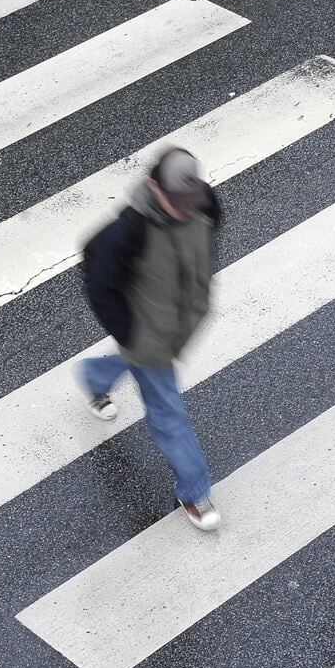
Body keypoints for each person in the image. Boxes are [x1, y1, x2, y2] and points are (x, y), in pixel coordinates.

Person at [78, 147, 222, 531]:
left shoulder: (202, 206)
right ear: (153, 187)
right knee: (168, 412)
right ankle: (195, 492)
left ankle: (94, 377)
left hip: (179, 323)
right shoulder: (130, 228)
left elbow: (208, 238)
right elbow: (97, 276)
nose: (182, 209)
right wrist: (129, 332)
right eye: (175, 201)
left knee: (133, 363)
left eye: (188, 200)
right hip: (147, 334)